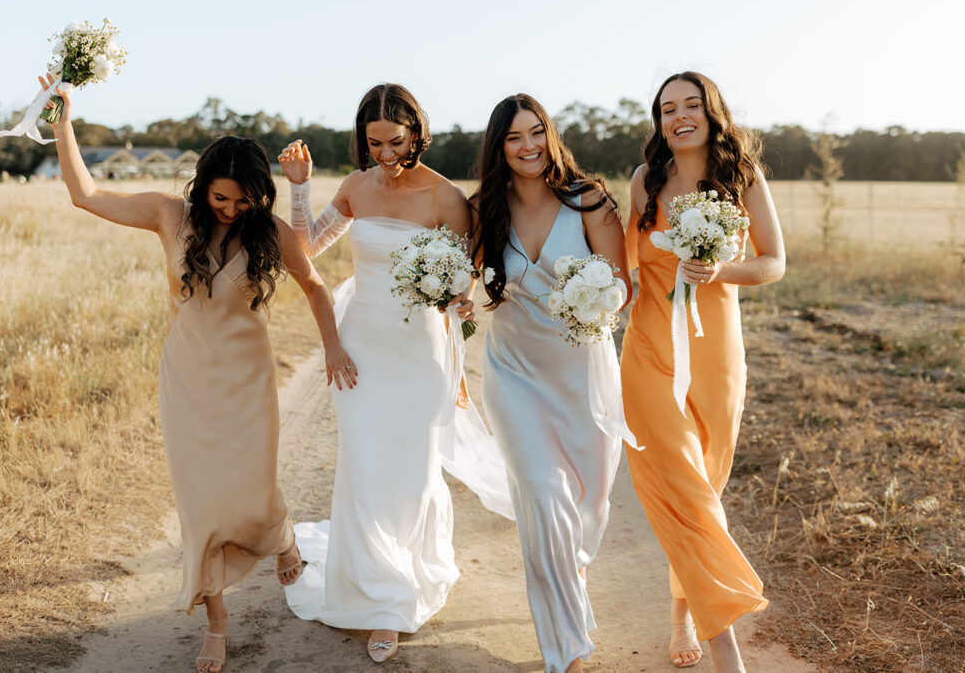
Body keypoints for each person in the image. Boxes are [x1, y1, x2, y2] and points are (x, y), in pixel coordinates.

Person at [39, 75, 355, 673]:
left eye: (243, 202)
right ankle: (216, 619)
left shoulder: (269, 231)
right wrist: (63, 123)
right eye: (221, 200)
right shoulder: (168, 216)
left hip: (248, 381)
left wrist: (333, 347)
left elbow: (314, 286)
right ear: (202, 185)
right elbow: (84, 194)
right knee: (201, 502)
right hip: (187, 380)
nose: (232, 211)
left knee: (253, 491)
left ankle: (281, 534)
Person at [277, 83, 513, 664]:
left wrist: (458, 307)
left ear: (417, 132)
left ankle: (403, 584)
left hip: (420, 354)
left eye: (397, 141)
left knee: (410, 471)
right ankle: (378, 594)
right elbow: (307, 246)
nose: (385, 152)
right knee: (363, 465)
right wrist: (300, 188)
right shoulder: (357, 186)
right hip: (359, 348)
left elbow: (466, 284)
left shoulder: (446, 198)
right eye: (374, 141)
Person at [621, 72, 785, 671]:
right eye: (668, 108)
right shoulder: (645, 181)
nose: (680, 116)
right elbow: (626, 266)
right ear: (659, 121)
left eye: (692, 105)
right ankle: (727, 646)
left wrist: (720, 272)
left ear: (713, 112)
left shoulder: (743, 178)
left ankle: (682, 615)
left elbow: (773, 263)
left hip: (716, 355)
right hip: (647, 354)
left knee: (705, 490)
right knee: (683, 489)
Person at [470, 94, 636, 673]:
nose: (529, 146)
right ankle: (566, 652)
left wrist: (603, 300)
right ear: (499, 147)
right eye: (514, 138)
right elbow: (463, 291)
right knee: (542, 495)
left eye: (537, 132)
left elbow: (623, 283)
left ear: (551, 134)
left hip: (583, 377)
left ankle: (572, 572)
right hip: (514, 376)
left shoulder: (587, 198)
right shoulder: (482, 209)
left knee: (587, 507)